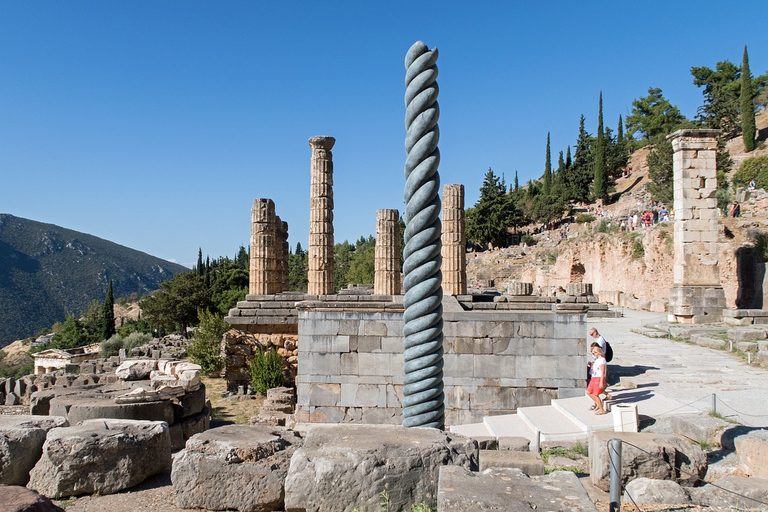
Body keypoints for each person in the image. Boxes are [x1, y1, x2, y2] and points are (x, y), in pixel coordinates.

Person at [587, 328, 613, 400]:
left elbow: (598, 352)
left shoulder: (600, 341)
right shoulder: (599, 340)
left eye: (592, 334)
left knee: (597, 387)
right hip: (596, 365)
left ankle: (602, 400)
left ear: (595, 332)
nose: (591, 336)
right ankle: (606, 395)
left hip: (598, 365)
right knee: (596, 387)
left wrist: (591, 362)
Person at [587, 345, 608, 415]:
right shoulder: (597, 360)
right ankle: (599, 404)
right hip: (594, 377)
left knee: (595, 394)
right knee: (588, 392)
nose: (593, 355)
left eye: (594, 353)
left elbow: (602, 372)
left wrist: (601, 382)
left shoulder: (602, 360)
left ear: (597, 353)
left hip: (598, 378)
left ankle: (602, 409)